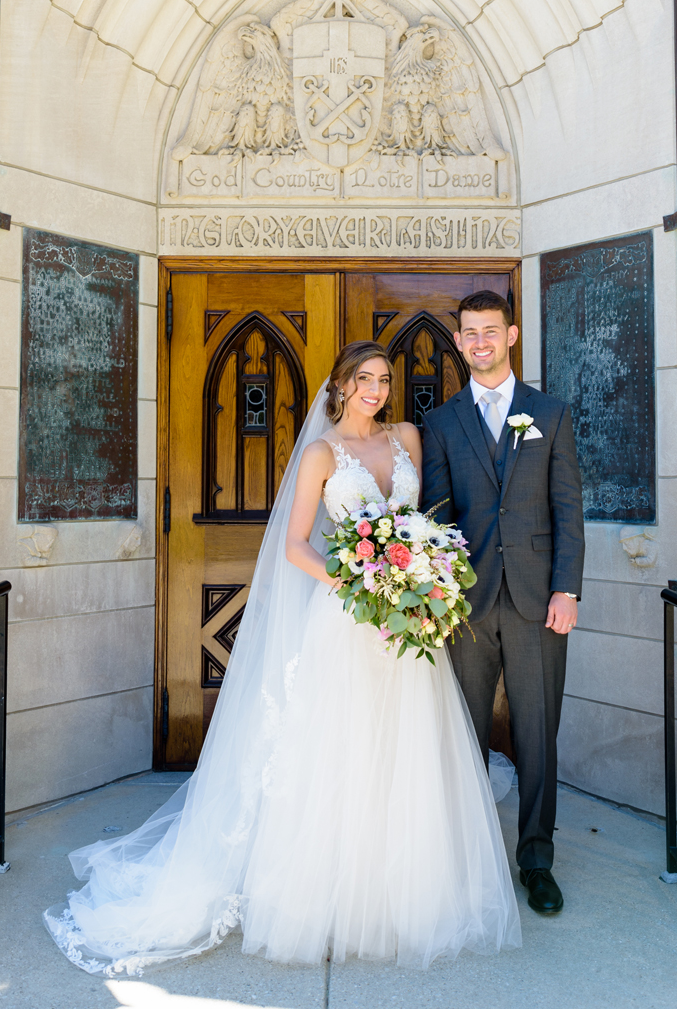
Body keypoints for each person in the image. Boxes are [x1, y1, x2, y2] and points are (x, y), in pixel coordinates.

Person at [45, 341, 522, 975]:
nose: (376, 390)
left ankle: (397, 892)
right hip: (348, 617)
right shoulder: (323, 455)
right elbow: (297, 545)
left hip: (409, 627)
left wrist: (425, 574)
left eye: (384, 379)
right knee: (337, 755)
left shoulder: (409, 435)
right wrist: (361, 584)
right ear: (342, 386)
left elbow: (427, 516)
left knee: (403, 752)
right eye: (364, 380)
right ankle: (324, 899)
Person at [418, 290, 585, 918]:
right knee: (463, 732)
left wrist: (567, 588)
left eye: (492, 331)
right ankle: (467, 854)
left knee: (538, 732)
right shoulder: (441, 422)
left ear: (511, 336)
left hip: (540, 601)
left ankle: (536, 859)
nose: (480, 342)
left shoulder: (551, 413)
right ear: (458, 342)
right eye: (470, 333)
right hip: (466, 602)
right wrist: (434, 593)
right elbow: (436, 515)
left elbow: (568, 509)